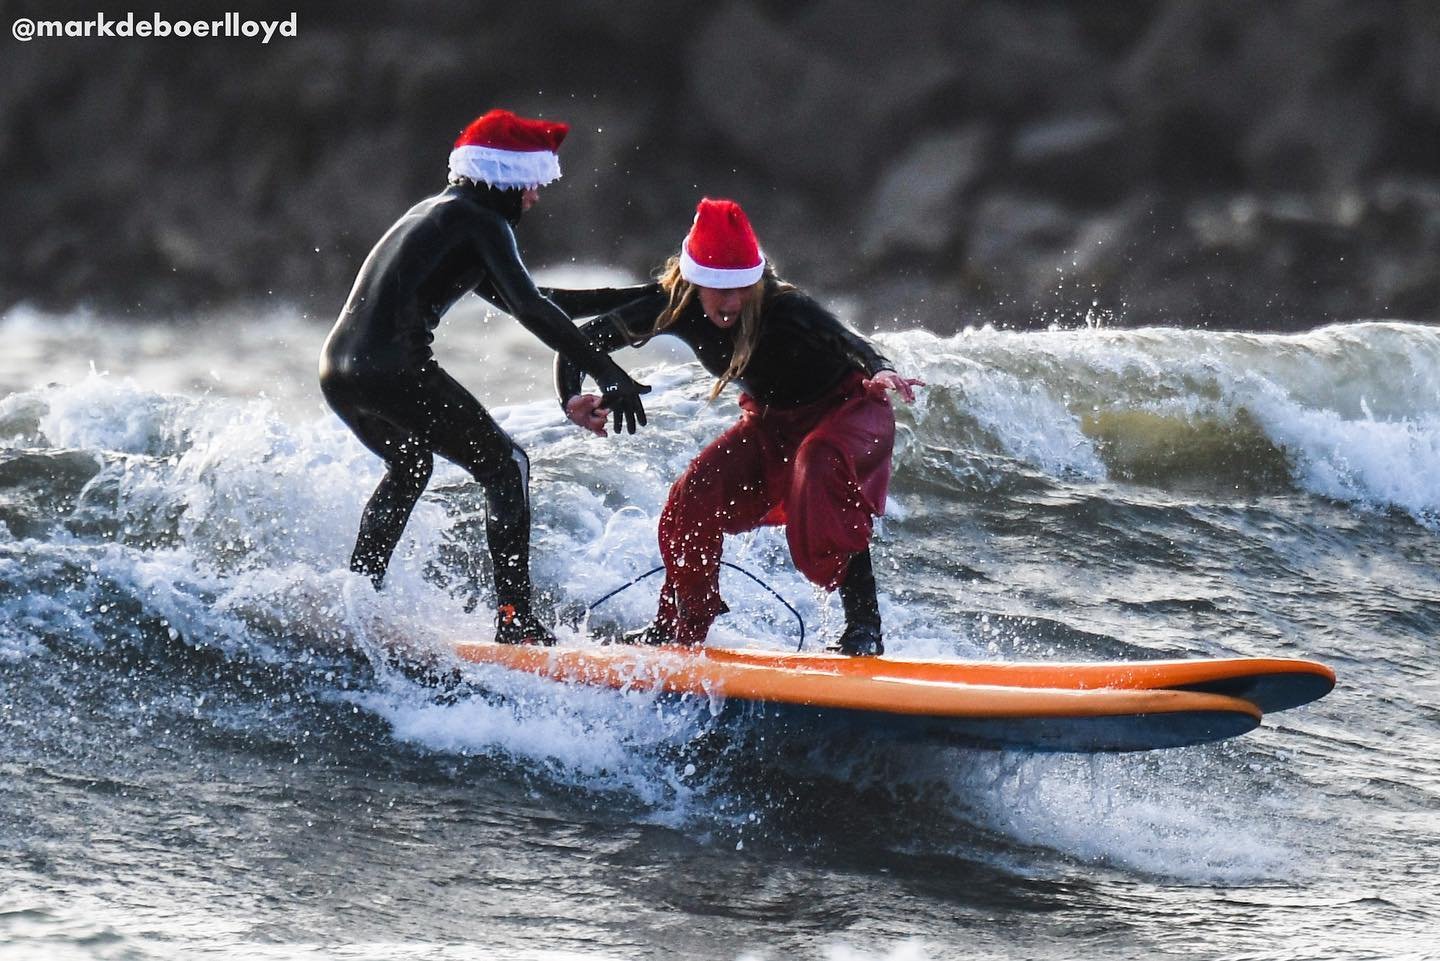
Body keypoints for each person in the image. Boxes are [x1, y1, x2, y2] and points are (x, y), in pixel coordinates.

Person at [319, 108, 651, 646]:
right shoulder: (481, 220)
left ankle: (357, 601)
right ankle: (515, 620)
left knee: (409, 466)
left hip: (339, 370)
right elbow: (533, 310)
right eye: (533, 186)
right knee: (507, 465)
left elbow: (541, 302)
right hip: (392, 368)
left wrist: (639, 298)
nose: (535, 199)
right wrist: (608, 372)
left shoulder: (442, 216)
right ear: (507, 178)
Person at [554, 198, 923, 655]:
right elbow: (577, 334)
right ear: (693, 280)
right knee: (690, 503)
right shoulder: (675, 305)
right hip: (773, 424)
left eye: (739, 289)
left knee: (820, 466)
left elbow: (849, 341)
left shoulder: (786, 307)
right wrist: (571, 396)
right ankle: (681, 624)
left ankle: (864, 629)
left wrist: (881, 368)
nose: (728, 303)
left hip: (842, 413)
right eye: (716, 289)